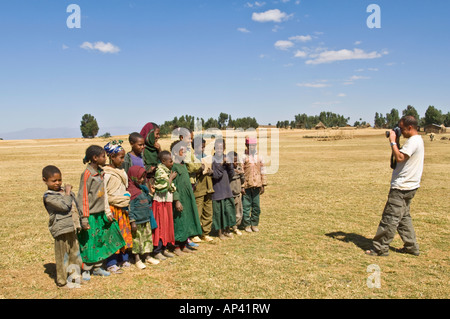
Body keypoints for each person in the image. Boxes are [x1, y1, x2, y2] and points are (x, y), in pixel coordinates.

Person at [366, 115, 424, 257]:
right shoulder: (417, 140)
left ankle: (380, 248)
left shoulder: (413, 141)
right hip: (410, 186)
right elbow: (398, 161)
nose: (401, 131)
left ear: (410, 127)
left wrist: (393, 142)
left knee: (389, 218)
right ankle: (411, 247)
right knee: (403, 218)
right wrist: (396, 141)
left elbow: (399, 158)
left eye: (402, 129)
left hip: (402, 187)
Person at [77, 145, 126, 277]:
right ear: (95, 158)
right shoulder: (87, 174)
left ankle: (98, 267)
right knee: (88, 243)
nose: (105, 158)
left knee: (99, 240)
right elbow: (83, 196)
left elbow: (103, 194)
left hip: (100, 213)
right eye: (103, 156)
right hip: (90, 215)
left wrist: (107, 212)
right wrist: (84, 218)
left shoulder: (101, 172)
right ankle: (86, 269)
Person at [42, 165, 83, 288]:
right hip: (61, 229)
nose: (57, 183)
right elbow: (64, 206)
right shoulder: (49, 197)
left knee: (74, 254)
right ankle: (62, 281)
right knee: (62, 256)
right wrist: (68, 192)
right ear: (45, 180)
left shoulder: (65, 193)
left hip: (72, 227)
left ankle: (75, 277)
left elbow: (75, 205)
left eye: (59, 180)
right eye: (53, 181)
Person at [103, 140, 132, 274]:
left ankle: (124, 258)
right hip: (113, 208)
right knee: (113, 236)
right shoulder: (106, 173)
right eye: (120, 157)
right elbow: (103, 194)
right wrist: (107, 210)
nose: (122, 160)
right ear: (112, 157)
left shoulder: (122, 172)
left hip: (123, 208)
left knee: (124, 233)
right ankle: (111, 262)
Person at [170, 140, 203, 255]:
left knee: (186, 220)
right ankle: (176, 246)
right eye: (182, 151)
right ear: (174, 153)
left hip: (187, 198)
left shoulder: (183, 165)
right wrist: (177, 200)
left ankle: (184, 244)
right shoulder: (173, 167)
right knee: (179, 221)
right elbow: (173, 186)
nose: (184, 154)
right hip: (179, 199)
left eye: (185, 151)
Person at [127, 165, 159, 269]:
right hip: (137, 221)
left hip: (145, 219)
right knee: (137, 241)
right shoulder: (131, 192)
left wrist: (150, 194)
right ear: (133, 177)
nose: (142, 180)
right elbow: (130, 208)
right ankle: (137, 259)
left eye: (143, 177)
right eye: (140, 177)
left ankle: (147, 256)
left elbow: (147, 202)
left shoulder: (141, 189)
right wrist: (132, 221)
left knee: (146, 239)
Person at [151, 150, 179, 260]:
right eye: (170, 161)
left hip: (167, 201)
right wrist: (171, 178)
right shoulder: (160, 171)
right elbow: (162, 187)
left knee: (166, 225)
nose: (172, 163)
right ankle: (157, 250)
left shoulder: (167, 170)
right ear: (163, 161)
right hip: (160, 202)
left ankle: (164, 248)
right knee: (160, 226)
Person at [211, 139, 236, 240]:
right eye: (217, 148)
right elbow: (215, 175)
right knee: (219, 213)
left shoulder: (227, 158)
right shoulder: (212, 160)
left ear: (224, 148)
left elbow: (232, 175)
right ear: (214, 148)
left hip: (226, 190)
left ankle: (228, 230)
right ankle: (220, 232)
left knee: (228, 211)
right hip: (217, 191)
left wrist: (230, 166)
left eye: (221, 148)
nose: (219, 150)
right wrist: (221, 165)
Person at [241, 137, 267, 233]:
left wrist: (263, 184)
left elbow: (263, 170)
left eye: (253, 145)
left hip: (257, 185)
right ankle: (246, 225)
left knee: (256, 206)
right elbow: (241, 172)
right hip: (247, 185)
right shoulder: (243, 157)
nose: (252, 147)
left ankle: (254, 224)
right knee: (246, 206)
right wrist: (242, 186)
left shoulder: (259, 157)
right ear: (246, 145)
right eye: (249, 145)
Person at [192, 136, 214, 242]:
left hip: (208, 187)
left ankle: (206, 232)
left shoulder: (206, 156)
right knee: (197, 211)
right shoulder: (192, 158)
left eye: (204, 147)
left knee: (208, 211)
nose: (203, 149)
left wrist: (211, 171)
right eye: (201, 147)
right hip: (198, 188)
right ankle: (195, 233)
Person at [227, 151, 245, 236]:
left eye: (236, 161)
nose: (235, 163)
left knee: (238, 212)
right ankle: (228, 228)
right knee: (229, 212)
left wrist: (241, 174)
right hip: (229, 195)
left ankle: (235, 227)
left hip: (237, 194)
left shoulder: (239, 168)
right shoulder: (228, 170)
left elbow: (242, 180)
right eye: (233, 161)